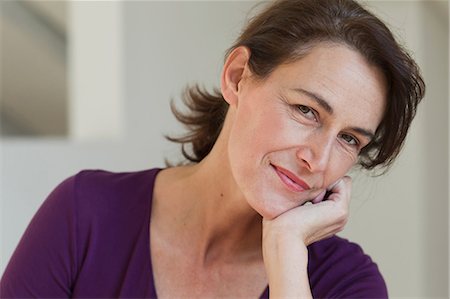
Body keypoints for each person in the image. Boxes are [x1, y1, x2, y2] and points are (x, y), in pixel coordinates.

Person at [1, 0, 425, 298]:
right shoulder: (85, 216)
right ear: (237, 76)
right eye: (307, 110)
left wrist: (286, 256)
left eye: (349, 139)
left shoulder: (347, 285)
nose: (319, 159)